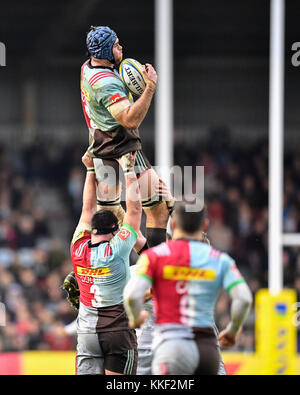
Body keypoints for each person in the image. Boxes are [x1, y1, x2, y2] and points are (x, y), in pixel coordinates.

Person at [123, 200, 252, 375]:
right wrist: (233, 329)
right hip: (206, 350)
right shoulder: (219, 259)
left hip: (172, 347)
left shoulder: (154, 257)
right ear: (205, 225)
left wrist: (135, 316)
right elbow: (244, 298)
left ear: (174, 225)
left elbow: (131, 295)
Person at [80, 25, 170, 250]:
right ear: (106, 51)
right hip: (122, 146)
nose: (121, 46)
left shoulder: (87, 68)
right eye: (116, 44)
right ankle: (154, 269)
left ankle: (137, 267)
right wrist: (149, 87)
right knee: (159, 209)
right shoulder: (107, 83)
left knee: (109, 219)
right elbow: (130, 120)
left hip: (99, 144)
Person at [71, 151, 145, 375]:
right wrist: (129, 169)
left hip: (87, 333)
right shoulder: (117, 248)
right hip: (117, 331)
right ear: (115, 232)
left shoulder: (77, 248)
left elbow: (87, 209)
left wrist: (90, 169)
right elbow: (134, 210)